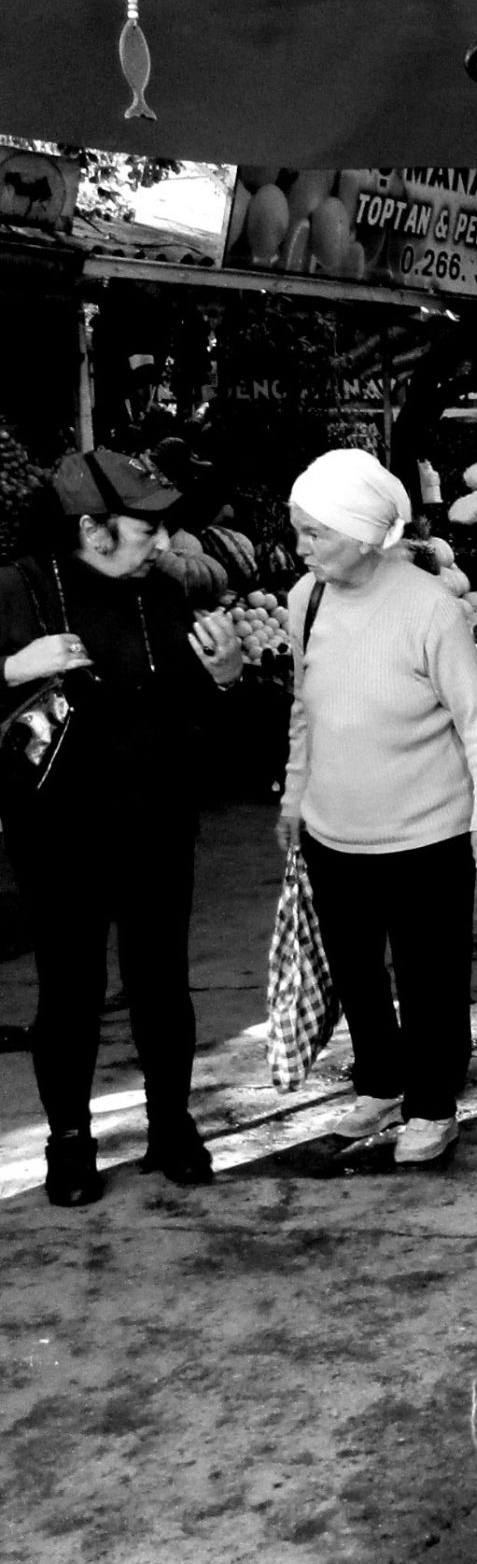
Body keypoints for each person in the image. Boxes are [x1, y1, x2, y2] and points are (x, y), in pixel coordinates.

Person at [0, 451, 245, 1205]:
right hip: (58, 831)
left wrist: (228, 676)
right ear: (91, 528)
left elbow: (202, 722)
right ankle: (68, 1142)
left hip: (157, 820)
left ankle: (171, 1123)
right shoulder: (19, 589)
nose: (163, 540)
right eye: (145, 526)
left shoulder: (164, 591)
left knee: (161, 985)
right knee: (69, 992)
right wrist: (12, 668)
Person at [277, 449, 477, 1166]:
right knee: (354, 972)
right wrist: (294, 796)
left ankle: (432, 1106)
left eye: (314, 533)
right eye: (299, 530)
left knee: (430, 980)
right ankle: (379, 1084)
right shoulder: (303, 601)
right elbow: (303, 709)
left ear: (362, 533)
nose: (301, 546)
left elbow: (475, 718)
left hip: (427, 835)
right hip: (331, 829)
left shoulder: (429, 606)